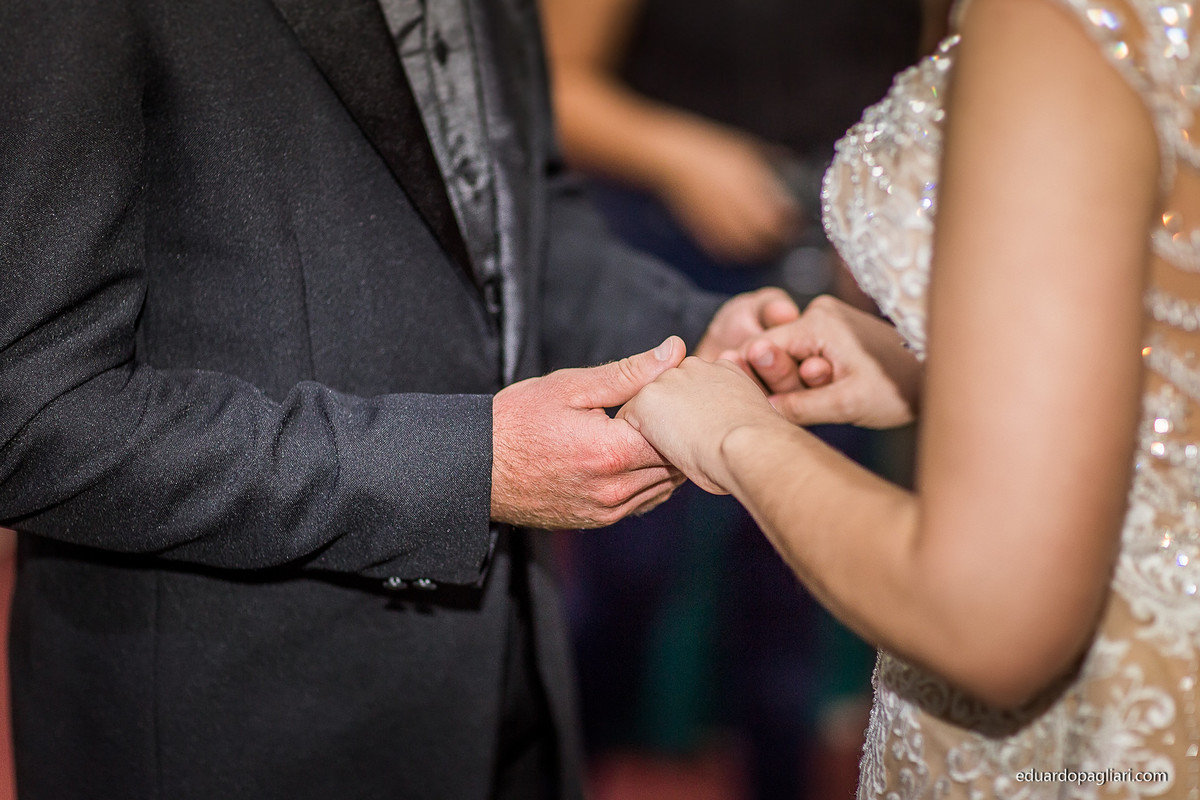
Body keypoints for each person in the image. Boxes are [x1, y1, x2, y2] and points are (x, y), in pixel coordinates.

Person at [0, 1, 806, 798]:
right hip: (239, 719)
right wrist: (468, 467)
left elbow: (519, 216)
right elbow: (34, 412)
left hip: (513, 671)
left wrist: (692, 331)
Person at [618, 0, 1200, 796]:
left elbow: (987, 616)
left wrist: (733, 434)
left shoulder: (1055, 20)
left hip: (1104, 713)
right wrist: (957, 375)